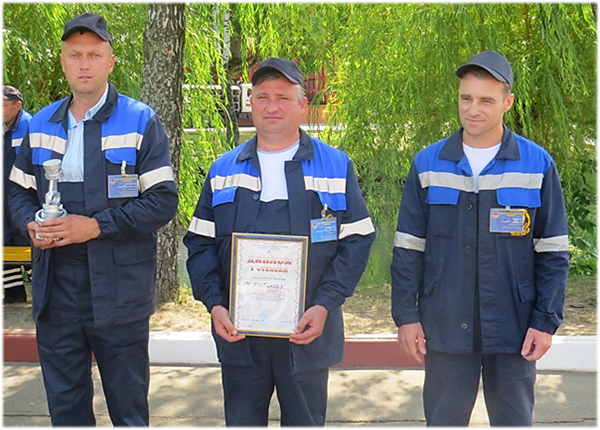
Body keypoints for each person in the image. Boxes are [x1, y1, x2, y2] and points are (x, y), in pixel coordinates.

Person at [184, 58, 376, 426]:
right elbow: (200, 244)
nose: (272, 106)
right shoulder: (223, 170)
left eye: (283, 98)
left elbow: (357, 241)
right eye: (263, 97)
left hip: (307, 333)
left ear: (302, 104)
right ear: (250, 103)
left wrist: (325, 304)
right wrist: (215, 304)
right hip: (240, 336)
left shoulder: (335, 166)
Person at [8, 13, 178, 426]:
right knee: (66, 408)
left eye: (94, 55)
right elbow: (17, 192)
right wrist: (31, 223)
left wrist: (97, 226)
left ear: (110, 62)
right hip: (56, 288)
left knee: (128, 407)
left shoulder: (140, 120)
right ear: (63, 62)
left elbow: (162, 201)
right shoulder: (41, 124)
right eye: (75, 55)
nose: (84, 64)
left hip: (119, 288)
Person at [391, 50, 569, 426]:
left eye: (486, 100)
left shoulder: (537, 164)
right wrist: (407, 316)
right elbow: (408, 248)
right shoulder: (428, 163)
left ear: (507, 102)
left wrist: (544, 321)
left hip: (514, 326)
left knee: (514, 421)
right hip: (444, 324)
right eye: (465, 98)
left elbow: (552, 251)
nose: (473, 109)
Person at [3, 85, 32, 303]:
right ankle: (13, 295)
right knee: (4, 242)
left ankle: (41, 289)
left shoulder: (29, 127)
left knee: (27, 241)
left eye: (4, 105)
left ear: (18, 106)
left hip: (24, 197)